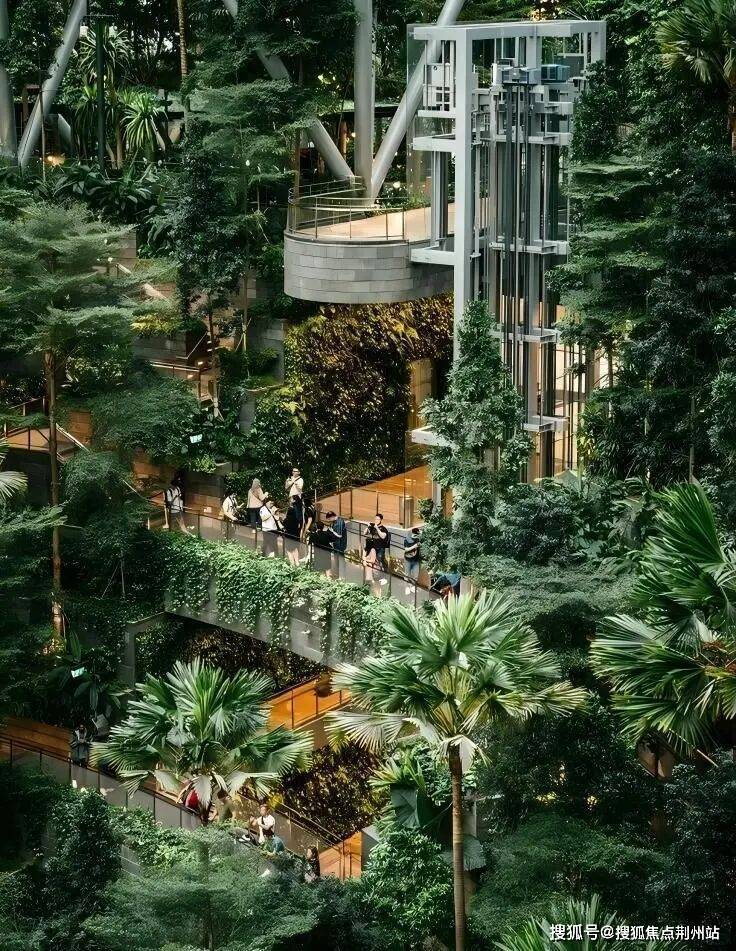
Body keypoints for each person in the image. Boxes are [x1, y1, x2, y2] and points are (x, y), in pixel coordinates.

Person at [404, 526, 422, 592]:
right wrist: (414, 546)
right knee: (407, 574)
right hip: (408, 560)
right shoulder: (407, 539)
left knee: (415, 575)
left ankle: (413, 587)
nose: (416, 536)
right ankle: (407, 587)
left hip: (416, 560)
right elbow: (406, 549)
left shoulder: (418, 539)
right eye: (415, 534)